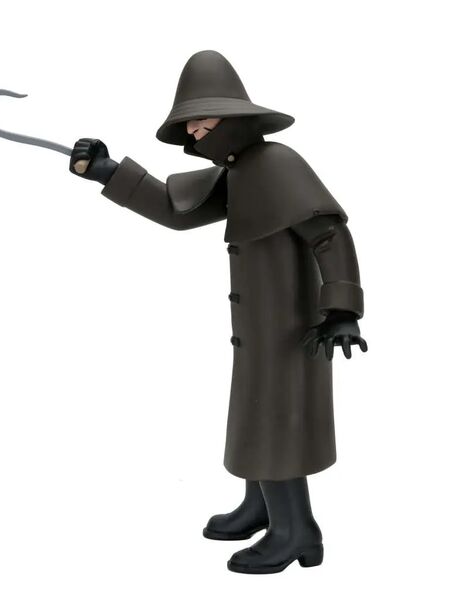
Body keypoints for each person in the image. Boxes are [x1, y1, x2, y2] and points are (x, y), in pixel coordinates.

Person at [69, 50, 367, 575]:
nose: (194, 134)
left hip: (293, 327)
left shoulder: (278, 164)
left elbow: (329, 233)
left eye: (203, 123)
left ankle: (296, 529)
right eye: (190, 126)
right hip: (258, 327)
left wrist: (342, 308)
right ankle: (261, 507)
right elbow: (176, 209)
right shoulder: (242, 172)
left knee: (276, 422)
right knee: (256, 413)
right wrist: (107, 172)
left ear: (233, 119)